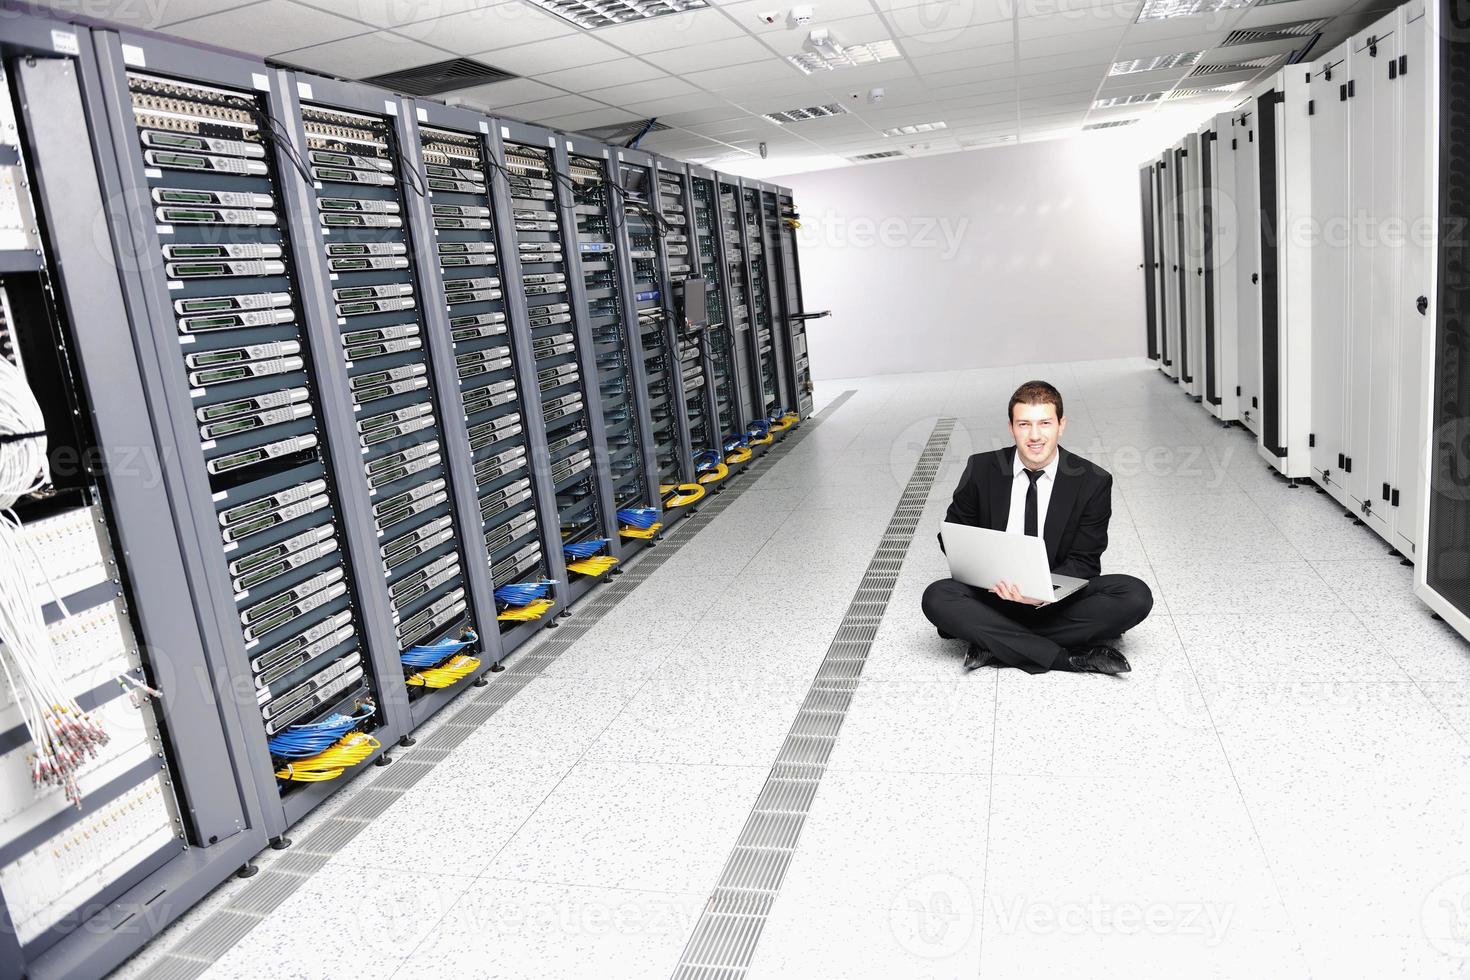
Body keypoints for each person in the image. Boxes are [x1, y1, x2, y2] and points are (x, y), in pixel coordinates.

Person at [921, 380, 1153, 675]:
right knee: (937, 597)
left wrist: (1043, 591)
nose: (1034, 436)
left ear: (1061, 424)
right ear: (1011, 427)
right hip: (994, 594)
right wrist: (991, 573)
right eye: (1024, 424)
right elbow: (953, 535)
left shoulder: (1092, 480)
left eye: (1044, 423)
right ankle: (1068, 658)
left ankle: (993, 642)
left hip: (1056, 598)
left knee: (1134, 594)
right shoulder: (981, 469)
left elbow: (1085, 561)